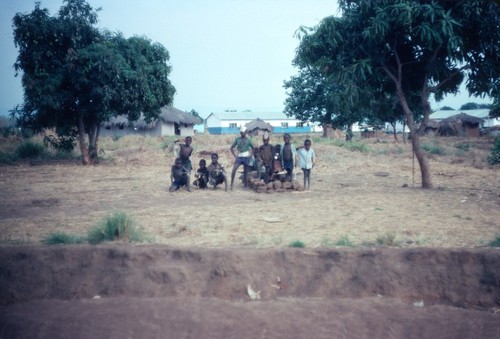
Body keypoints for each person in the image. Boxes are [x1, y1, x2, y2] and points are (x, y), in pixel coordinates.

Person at [230, 126, 254, 190]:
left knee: (246, 172)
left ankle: (246, 186)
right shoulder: (237, 139)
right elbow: (231, 147)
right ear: (240, 133)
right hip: (239, 157)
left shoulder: (248, 140)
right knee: (234, 170)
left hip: (246, 157)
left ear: (246, 132)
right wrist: (235, 155)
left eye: (243, 132)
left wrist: (251, 155)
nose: (242, 133)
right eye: (241, 132)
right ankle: (231, 185)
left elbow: (253, 148)